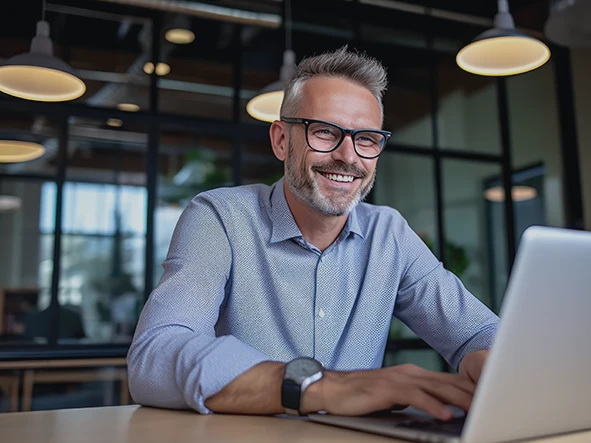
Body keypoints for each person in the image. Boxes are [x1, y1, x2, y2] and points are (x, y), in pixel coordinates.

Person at [127, 46, 500, 421]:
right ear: (281, 141)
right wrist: (322, 387)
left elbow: (479, 334)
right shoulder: (221, 218)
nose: (349, 156)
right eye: (324, 132)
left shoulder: (389, 234)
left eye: (366, 139)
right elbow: (154, 358)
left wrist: (493, 361)